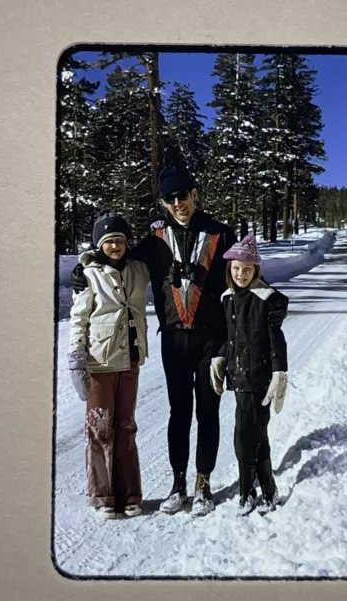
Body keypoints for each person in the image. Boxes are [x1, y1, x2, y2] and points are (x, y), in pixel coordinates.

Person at [71, 163, 237, 517]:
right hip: (174, 342)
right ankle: (178, 485)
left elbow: (241, 281)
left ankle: (203, 485)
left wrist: (232, 344)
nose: (178, 203)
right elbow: (115, 254)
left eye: (183, 195)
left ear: (195, 194)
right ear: (163, 203)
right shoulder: (154, 241)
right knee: (179, 413)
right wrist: (84, 264)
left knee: (208, 412)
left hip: (212, 341)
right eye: (170, 198)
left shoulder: (221, 234)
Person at [68, 213, 150, 519]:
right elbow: (78, 319)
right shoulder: (87, 275)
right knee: (100, 428)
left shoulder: (139, 270)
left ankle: (131, 494)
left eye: (120, 240)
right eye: (108, 241)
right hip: (98, 361)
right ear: (98, 244)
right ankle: (103, 495)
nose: (115, 246)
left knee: (126, 427)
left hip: (130, 359)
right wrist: (76, 359)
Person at [209, 233, 289, 516]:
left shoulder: (267, 300)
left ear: (256, 270)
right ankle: (269, 490)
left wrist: (280, 372)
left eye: (247, 269)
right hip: (239, 378)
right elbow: (229, 336)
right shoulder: (228, 299)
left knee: (244, 436)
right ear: (229, 270)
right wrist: (220, 356)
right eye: (236, 269)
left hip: (260, 378)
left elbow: (276, 339)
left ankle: (247, 492)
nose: (241, 274)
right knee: (257, 435)